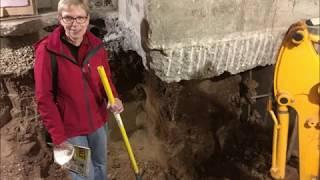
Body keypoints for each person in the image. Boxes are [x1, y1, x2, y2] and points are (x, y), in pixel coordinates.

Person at [33, 0, 123, 179]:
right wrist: (58, 137)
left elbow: (105, 79)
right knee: (82, 174)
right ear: (60, 19)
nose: (75, 24)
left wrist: (114, 97)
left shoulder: (96, 46)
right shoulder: (47, 51)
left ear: (88, 19)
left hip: (98, 123)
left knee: (100, 165)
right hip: (71, 129)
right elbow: (44, 98)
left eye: (80, 18)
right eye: (68, 18)